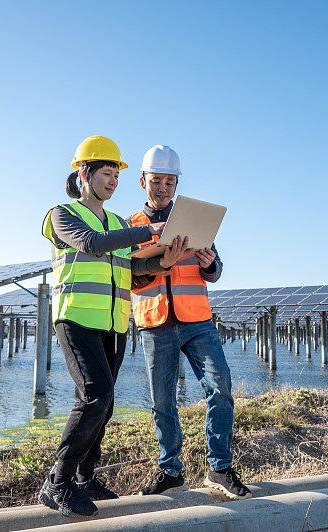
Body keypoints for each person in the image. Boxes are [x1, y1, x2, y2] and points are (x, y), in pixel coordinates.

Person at [37, 135, 189, 517]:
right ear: (83, 174)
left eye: (116, 176)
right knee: (95, 395)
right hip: (75, 319)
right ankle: (58, 482)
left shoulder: (119, 224)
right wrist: (148, 232)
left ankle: (86, 479)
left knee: (102, 406)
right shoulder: (63, 215)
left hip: (114, 324)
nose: (113, 181)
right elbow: (91, 243)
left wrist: (165, 260)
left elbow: (133, 270)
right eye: (107, 173)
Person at [131, 145, 251, 500]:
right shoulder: (131, 228)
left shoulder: (195, 222)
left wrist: (209, 260)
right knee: (163, 401)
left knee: (220, 387)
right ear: (143, 182)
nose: (164, 187)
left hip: (198, 319)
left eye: (170, 181)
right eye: (157, 181)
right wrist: (161, 262)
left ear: (176, 184)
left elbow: (214, 273)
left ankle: (219, 468)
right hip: (156, 321)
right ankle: (170, 472)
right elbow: (131, 278)